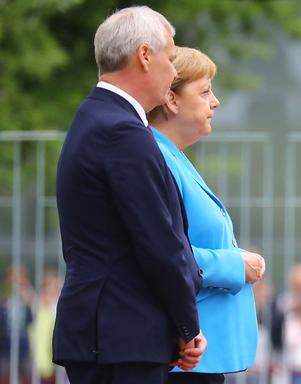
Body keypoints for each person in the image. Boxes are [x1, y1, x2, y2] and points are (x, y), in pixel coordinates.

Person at [54, 7, 206, 384]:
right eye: (170, 59)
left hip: (107, 333)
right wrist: (188, 326)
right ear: (144, 56)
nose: (173, 72)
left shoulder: (95, 117)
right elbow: (158, 240)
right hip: (122, 337)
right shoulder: (122, 131)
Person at [148, 46, 266, 384]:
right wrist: (236, 265)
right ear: (171, 99)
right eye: (204, 91)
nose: (215, 102)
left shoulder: (173, 157)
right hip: (185, 356)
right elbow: (160, 251)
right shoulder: (157, 158)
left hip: (199, 356)